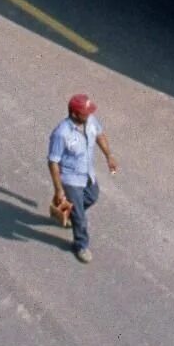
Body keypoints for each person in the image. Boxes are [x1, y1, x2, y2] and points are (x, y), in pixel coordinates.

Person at [47, 92, 118, 264]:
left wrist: (109, 155)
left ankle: (70, 211)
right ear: (74, 114)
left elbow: (100, 135)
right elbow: (53, 162)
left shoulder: (90, 121)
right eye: (86, 113)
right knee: (80, 217)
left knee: (93, 196)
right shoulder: (61, 133)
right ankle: (81, 245)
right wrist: (59, 190)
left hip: (87, 173)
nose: (90, 115)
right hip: (71, 179)